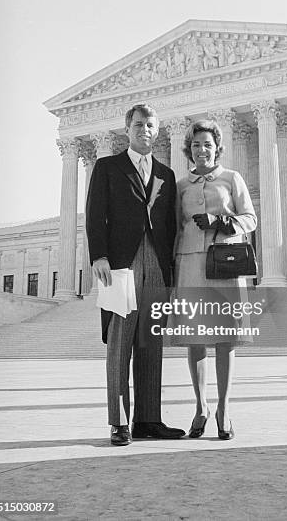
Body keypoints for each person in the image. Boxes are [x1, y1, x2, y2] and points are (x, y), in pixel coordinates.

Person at [86, 103, 185, 445]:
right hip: (119, 265)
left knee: (150, 341)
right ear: (127, 129)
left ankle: (149, 419)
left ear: (158, 131)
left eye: (151, 126)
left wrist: (170, 271)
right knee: (119, 342)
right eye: (139, 124)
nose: (145, 130)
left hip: (156, 262)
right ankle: (119, 421)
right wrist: (98, 255)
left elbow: (170, 225)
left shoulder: (166, 174)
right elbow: (95, 214)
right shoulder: (108, 167)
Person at [174, 119, 257, 439]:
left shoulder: (232, 178)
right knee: (195, 340)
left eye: (207, 144)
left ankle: (223, 408)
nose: (202, 150)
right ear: (189, 150)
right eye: (196, 145)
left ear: (217, 147)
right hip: (190, 265)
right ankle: (200, 406)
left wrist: (220, 220)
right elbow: (175, 228)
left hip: (224, 265)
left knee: (225, 338)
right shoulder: (181, 185)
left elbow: (250, 218)